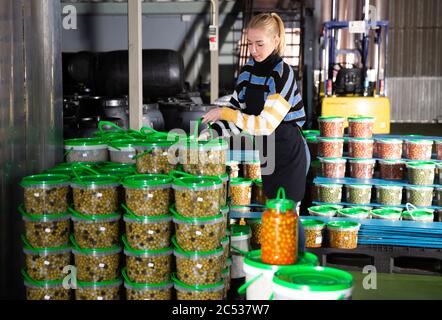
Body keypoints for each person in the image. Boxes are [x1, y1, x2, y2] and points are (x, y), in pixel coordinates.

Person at [202, 13, 310, 253]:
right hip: (268, 151)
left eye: (259, 44)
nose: (253, 50)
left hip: (289, 150)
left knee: (287, 212)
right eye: (249, 43)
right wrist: (209, 136)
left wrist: (225, 115)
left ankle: (297, 265)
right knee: (274, 209)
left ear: (276, 40)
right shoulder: (248, 72)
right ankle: (281, 264)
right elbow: (235, 112)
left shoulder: (282, 73)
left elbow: (265, 124)